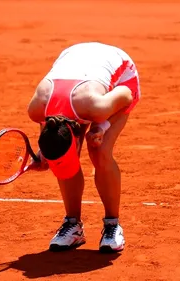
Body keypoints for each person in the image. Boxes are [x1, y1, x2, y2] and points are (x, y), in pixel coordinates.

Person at [26, 42, 141, 253]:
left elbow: (127, 96)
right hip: (74, 60)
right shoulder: (36, 109)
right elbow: (47, 124)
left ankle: (112, 226)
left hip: (120, 76)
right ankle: (73, 225)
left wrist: (103, 127)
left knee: (99, 150)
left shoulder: (97, 107)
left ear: (76, 138)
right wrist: (45, 152)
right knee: (61, 157)